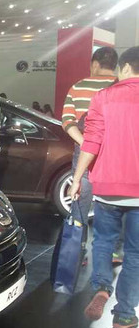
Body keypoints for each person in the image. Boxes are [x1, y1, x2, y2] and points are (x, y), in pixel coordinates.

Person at [72, 46, 139, 328]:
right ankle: (124, 314)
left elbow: (92, 141)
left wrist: (77, 178)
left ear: (125, 67)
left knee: (102, 242)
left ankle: (101, 287)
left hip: (107, 187)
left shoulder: (103, 97)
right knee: (135, 253)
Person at [61, 47, 118, 225]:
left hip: (84, 148)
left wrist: (86, 143)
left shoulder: (77, 87)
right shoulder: (120, 87)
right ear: (116, 65)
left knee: (80, 194)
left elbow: (67, 121)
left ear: (95, 64)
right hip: (114, 150)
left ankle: (77, 235)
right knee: (111, 201)